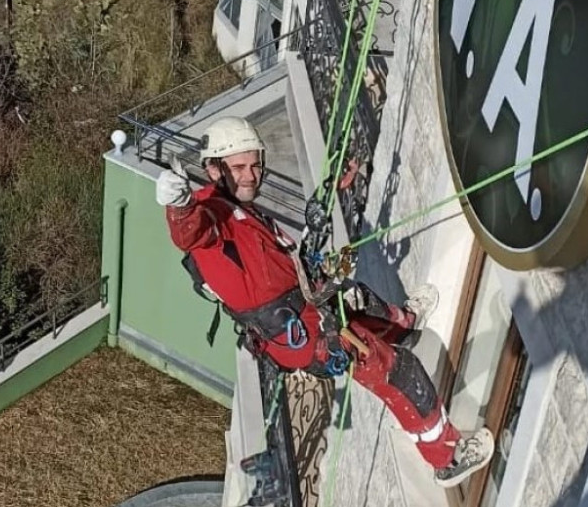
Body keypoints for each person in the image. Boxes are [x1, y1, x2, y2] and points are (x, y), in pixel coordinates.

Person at [155, 116, 494, 487]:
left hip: (306, 311)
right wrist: (178, 205)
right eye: (238, 167)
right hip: (303, 336)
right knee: (399, 371)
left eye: (254, 164)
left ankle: (406, 324)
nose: (250, 175)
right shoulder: (210, 216)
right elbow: (189, 233)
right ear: (214, 169)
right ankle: (448, 458)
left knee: (358, 301)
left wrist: (330, 192)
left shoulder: (239, 208)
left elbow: (283, 259)